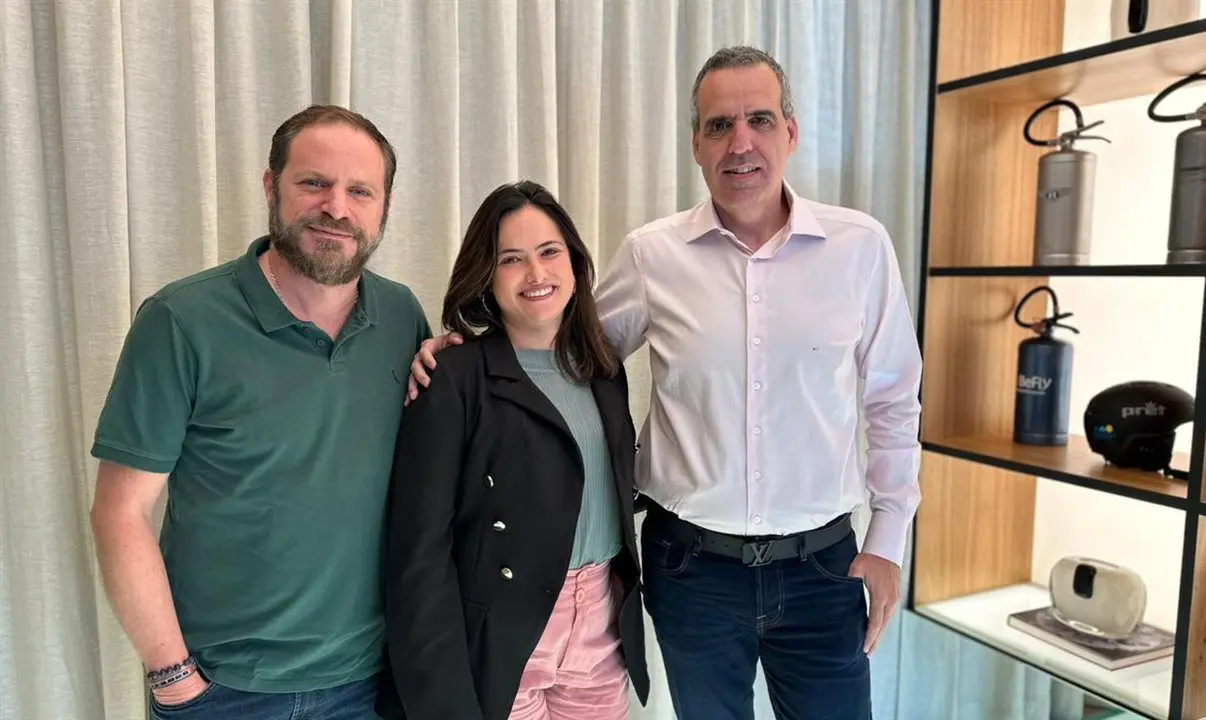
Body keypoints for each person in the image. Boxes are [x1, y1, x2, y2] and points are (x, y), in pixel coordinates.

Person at [407, 46, 923, 720]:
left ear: (790, 134)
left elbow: (891, 398)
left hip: (822, 567)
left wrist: (888, 540)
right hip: (693, 570)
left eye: (760, 120)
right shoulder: (654, 255)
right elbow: (566, 342)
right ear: (695, 146)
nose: (740, 143)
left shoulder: (860, 248)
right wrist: (460, 349)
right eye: (719, 126)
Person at [88, 104, 432, 719]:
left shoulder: (402, 317)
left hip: (375, 682)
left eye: (360, 190)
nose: (337, 208)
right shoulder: (182, 321)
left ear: (383, 207)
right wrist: (175, 679)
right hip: (225, 692)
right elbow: (121, 513)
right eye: (314, 183)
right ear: (272, 186)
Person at [374, 180, 650, 720]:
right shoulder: (453, 377)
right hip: (500, 633)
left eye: (549, 252)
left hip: (600, 624)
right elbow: (419, 554)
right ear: (487, 276)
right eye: (511, 259)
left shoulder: (603, 369)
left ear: (574, 261)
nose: (537, 274)